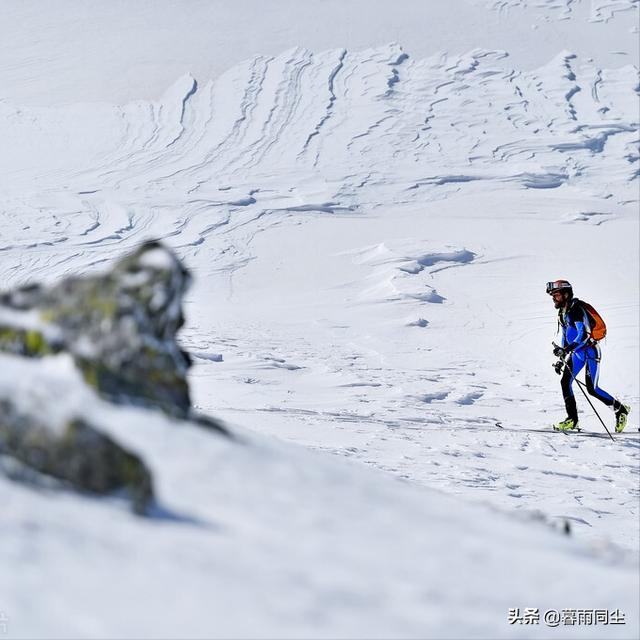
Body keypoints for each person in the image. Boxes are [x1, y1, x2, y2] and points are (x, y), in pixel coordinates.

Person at [546, 279, 630, 432]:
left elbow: (584, 335)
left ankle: (620, 409)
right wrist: (562, 357)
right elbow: (565, 336)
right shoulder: (562, 312)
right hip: (577, 354)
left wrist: (567, 350)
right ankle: (572, 420)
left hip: (590, 352)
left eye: (556, 295)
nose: (553, 298)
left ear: (565, 294)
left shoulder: (576, 309)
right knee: (565, 382)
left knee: (592, 389)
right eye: (552, 296)